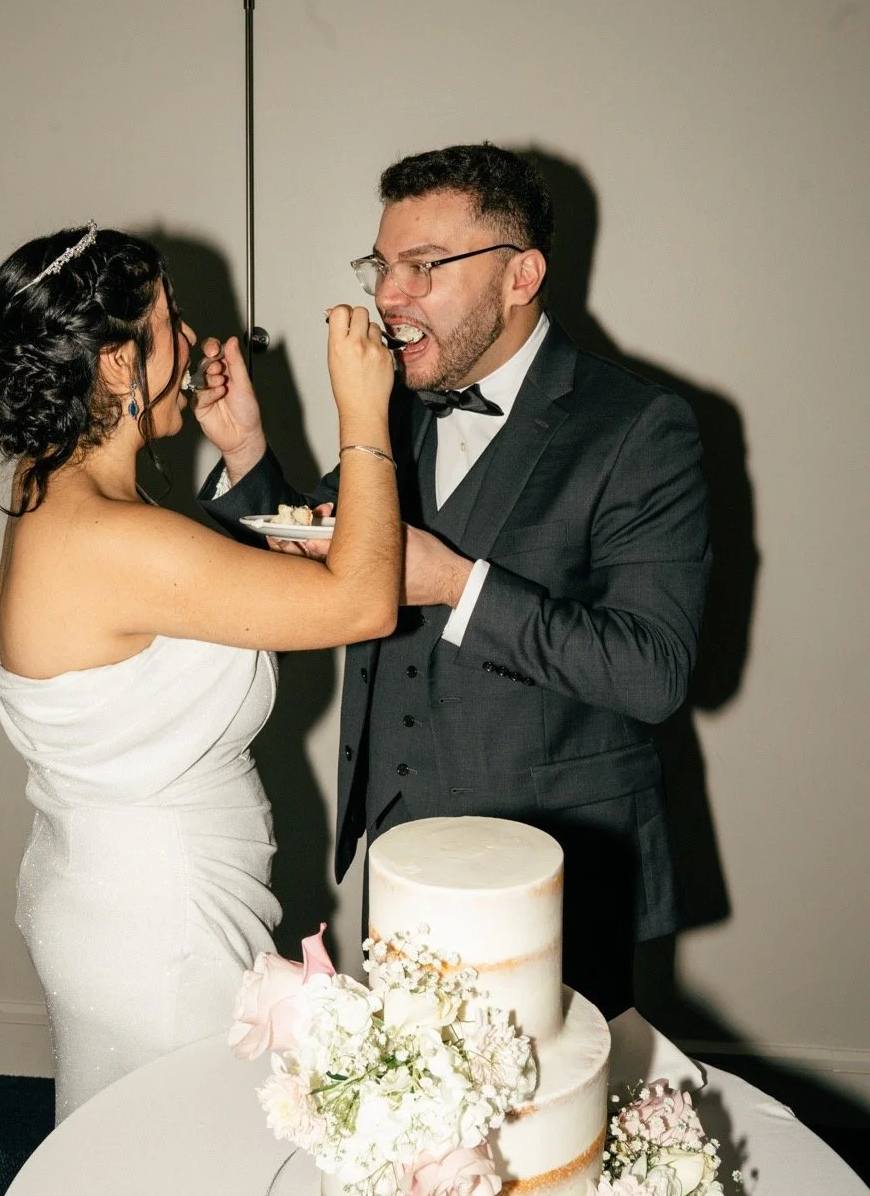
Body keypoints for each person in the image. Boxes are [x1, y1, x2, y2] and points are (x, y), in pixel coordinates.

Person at [200, 145, 710, 1019]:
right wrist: (247, 451)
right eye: (382, 266)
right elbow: (322, 549)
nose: (388, 296)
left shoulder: (640, 428)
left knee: (548, 1130)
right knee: (413, 1116)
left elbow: (652, 671)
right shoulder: (395, 409)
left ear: (523, 275)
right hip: (401, 849)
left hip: (559, 868)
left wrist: (455, 586)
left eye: (424, 266)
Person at [0, 223, 399, 1120]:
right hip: (159, 925)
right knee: (187, 1163)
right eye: (173, 321)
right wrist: (365, 413)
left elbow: (212, 596)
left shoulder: (50, 488)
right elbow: (362, 602)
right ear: (120, 365)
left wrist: (245, 450)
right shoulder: (115, 539)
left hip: (107, 891)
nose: (200, 342)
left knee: (138, 1151)